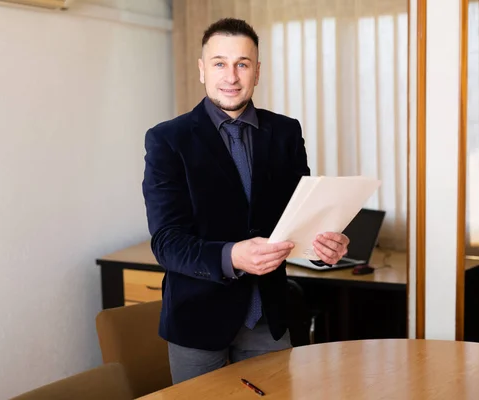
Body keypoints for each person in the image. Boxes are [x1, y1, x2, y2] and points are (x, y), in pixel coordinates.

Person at [142, 17, 349, 384]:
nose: (231, 76)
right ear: (203, 70)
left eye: (243, 64)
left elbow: (297, 218)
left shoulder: (286, 132)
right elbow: (167, 243)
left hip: (267, 319)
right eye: (220, 63)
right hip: (198, 323)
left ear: (258, 71)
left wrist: (322, 246)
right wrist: (231, 256)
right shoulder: (167, 140)